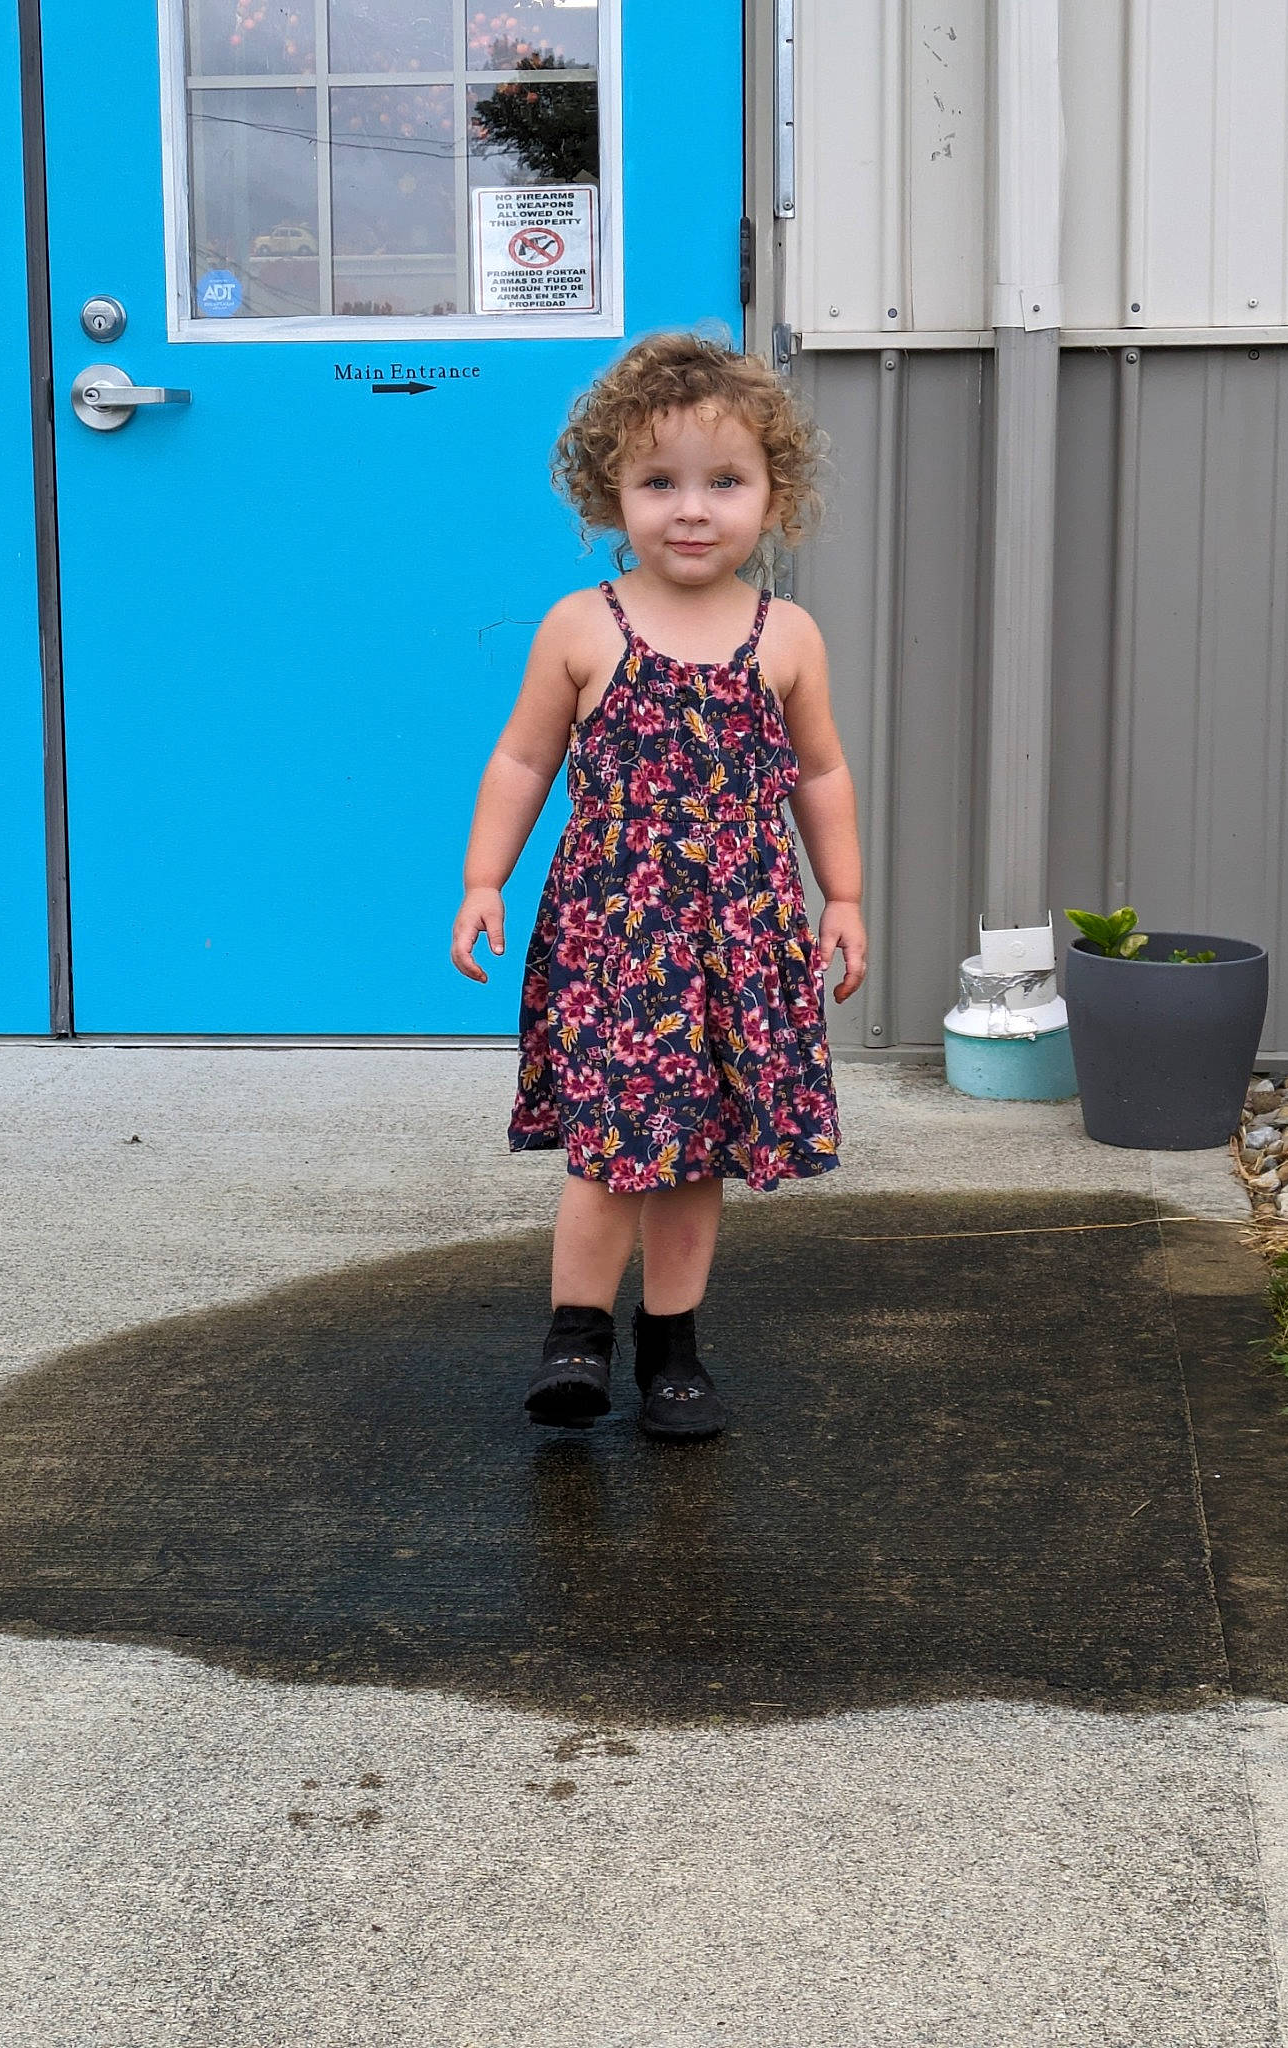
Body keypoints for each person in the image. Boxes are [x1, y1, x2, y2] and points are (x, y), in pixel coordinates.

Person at [450, 330, 867, 1441]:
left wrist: (843, 897)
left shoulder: (787, 637)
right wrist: (484, 878)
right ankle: (575, 1335)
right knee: (610, 1146)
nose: (691, 510)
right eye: (658, 483)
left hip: (741, 930)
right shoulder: (582, 625)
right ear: (611, 493)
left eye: (724, 482)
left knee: (696, 1156)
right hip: (616, 933)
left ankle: (672, 1347)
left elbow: (820, 773)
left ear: (774, 496)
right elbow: (523, 760)